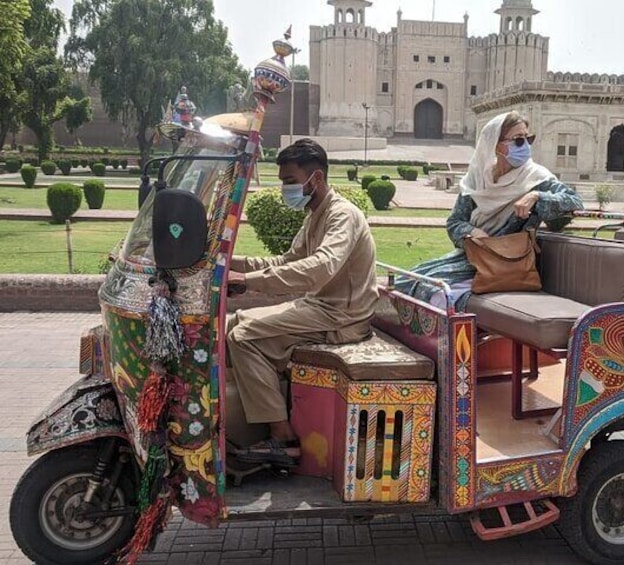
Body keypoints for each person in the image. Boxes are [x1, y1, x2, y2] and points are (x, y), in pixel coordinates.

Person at [226, 138, 379, 466]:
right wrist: (229, 263)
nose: (285, 190)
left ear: (317, 179)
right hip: (321, 307)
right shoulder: (315, 215)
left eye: (289, 182)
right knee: (233, 323)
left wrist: (248, 283)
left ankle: (282, 437)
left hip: (341, 316)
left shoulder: (343, 215)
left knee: (243, 336)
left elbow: (320, 267)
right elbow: (285, 262)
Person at [396, 111, 584, 310]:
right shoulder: (478, 179)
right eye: (519, 141)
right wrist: (474, 233)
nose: (526, 146)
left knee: (436, 291)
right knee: (406, 281)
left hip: (507, 262)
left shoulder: (536, 179)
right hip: (471, 256)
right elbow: (455, 222)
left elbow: (574, 202)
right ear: (496, 145)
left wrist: (537, 196)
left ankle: (446, 340)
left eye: (529, 139)